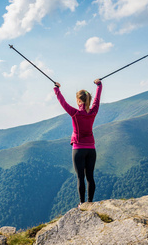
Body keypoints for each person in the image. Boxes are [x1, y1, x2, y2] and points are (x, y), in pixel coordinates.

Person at [53, 79, 102, 207]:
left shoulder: (74, 113)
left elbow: (62, 102)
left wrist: (57, 89)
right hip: (91, 149)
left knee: (80, 177)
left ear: (79, 101)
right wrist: (99, 85)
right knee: (90, 177)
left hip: (78, 149)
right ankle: (90, 202)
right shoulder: (93, 112)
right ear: (88, 100)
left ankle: (82, 203)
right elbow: (97, 100)